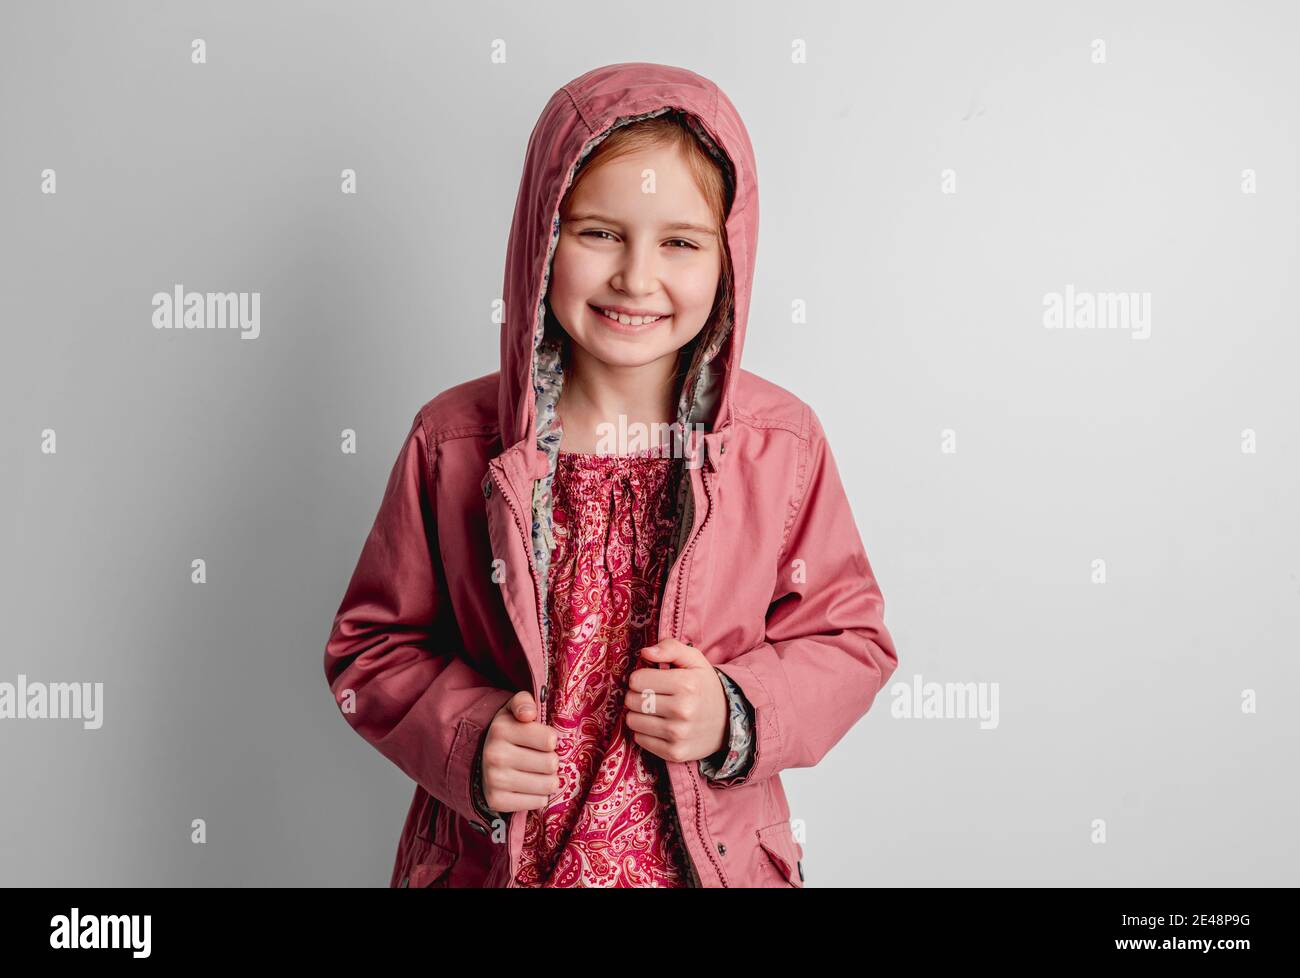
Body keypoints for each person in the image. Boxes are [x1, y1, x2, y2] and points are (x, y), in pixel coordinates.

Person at [323, 61, 899, 888]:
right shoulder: (453, 444)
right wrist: (468, 740)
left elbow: (850, 641)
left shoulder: (781, 444)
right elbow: (372, 647)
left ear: (728, 256)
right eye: (599, 233)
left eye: (679, 242)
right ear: (542, 238)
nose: (636, 276)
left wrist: (737, 709)